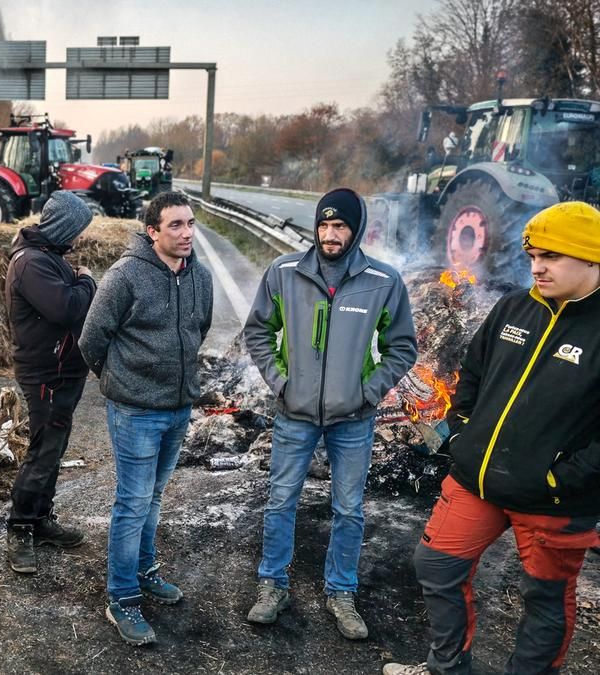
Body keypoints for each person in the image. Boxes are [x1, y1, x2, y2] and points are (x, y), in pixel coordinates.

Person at [384, 201, 600, 675]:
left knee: (544, 601)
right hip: (475, 476)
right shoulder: (515, 306)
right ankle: (448, 668)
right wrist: (462, 434)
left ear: (590, 257)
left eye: (552, 256)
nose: (537, 266)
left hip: (552, 499)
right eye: (533, 255)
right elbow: (472, 376)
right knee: (436, 565)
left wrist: (558, 478)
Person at [243, 187, 417, 640]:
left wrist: (369, 391)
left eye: (339, 226)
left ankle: (341, 591)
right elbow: (258, 331)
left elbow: (402, 347)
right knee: (281, 501)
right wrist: (281, 383)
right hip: (294, 416)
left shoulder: (383, 280)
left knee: (349, 509)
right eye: (324, 224)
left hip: (353, 419)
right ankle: (272, 585)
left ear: (356, 230)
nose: (329, 234)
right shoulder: (284, 273)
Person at [79, 190, 214, 646]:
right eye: (175, 225)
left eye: (191, 223)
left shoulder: (201, 277)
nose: (186, 233)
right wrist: (120, 382)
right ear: (152, 231)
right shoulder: (125, 276)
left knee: (153, 499)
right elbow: (91, 340)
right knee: (132, 502)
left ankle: (144, 569)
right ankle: (121, 598)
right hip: (135, 410)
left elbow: (199, 330)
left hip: (178, 407)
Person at [3, 190, 98, 574]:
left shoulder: (49, 257)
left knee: (54, 448)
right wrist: (87, 281)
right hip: (46, 374)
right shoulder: (31, 264)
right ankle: (20, 527)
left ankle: (40, 519)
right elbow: (67, 307)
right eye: (77, 230)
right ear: (63, 227)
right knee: (43, 451)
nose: (79, 239)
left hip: (63, 371)